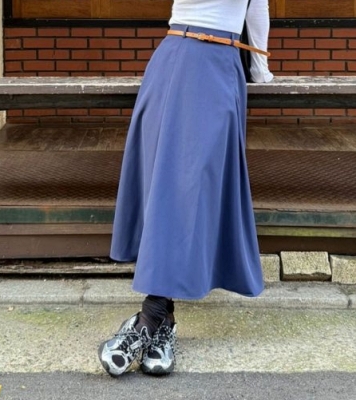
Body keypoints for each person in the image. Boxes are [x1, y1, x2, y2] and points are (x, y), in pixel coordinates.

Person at [98, 0, 273, 377]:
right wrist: (259, 69)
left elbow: (257, 5)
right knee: (168, 185)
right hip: (178, 56)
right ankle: (159, 322)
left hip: (218, 63)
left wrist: (259, 67)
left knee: (193, 188)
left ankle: (151, 319)